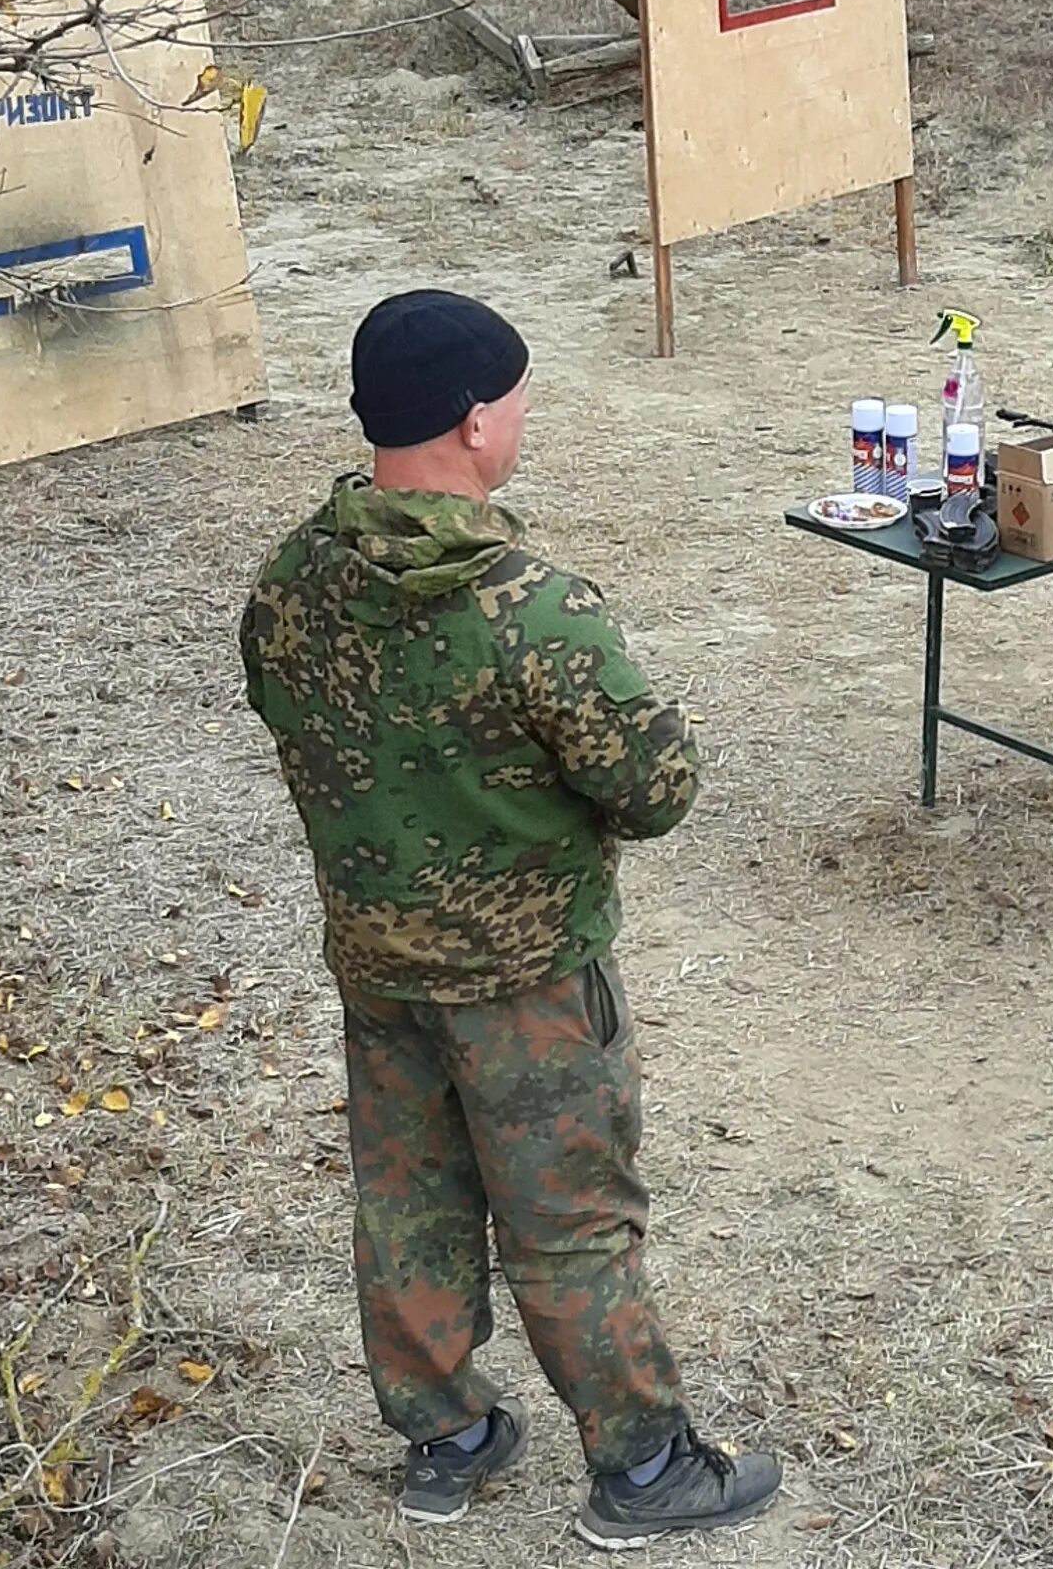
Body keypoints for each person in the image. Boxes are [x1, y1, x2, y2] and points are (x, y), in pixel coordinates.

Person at [238, 291, 781, 1545]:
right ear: (478, 423)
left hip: (378, 965)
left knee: (407, 1194)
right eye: (521, 400)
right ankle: (643, 1468)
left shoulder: (290, 580)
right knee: (571, 1220)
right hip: (529, 982)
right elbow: (657, 792)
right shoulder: (535, 608)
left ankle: (447, 1436)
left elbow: (288, 711)